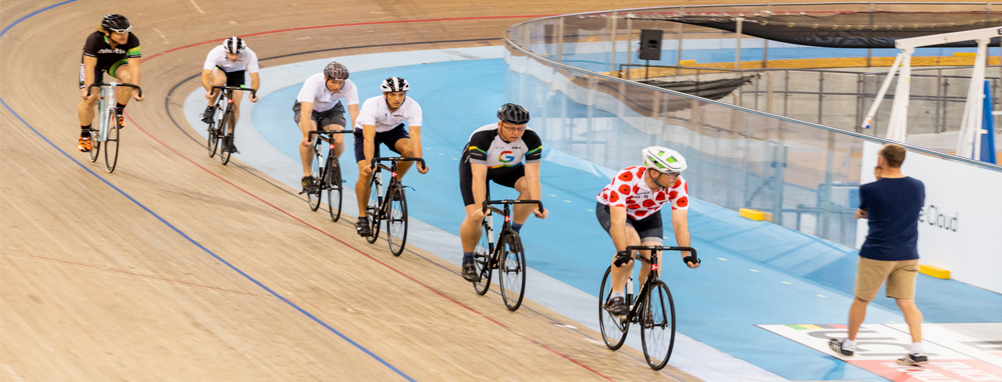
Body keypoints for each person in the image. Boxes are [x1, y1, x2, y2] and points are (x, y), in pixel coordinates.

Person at [828, 143, 927, 366]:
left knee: (861, 299)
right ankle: (917, 350)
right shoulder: (918, 186)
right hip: (908, 253)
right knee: (907, 302)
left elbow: (865, 211)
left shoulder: (870, 189)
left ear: (882, 161)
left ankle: (848, 345)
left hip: (878, 253)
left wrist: (865, 211)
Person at [598, 147, 699, 317]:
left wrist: (686, 254)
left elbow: (680, 223)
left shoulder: (678, 185)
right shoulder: (626, 179)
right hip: (615, 211)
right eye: (672, 173)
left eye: (678, 173)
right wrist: (623, 252)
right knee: (631, 246)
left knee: (654, 257)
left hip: (648, 214)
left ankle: (644, 301)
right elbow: (618, 222)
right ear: (653, 173)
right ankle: (615, 297)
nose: (677, 177)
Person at [458, 103, 549, 281]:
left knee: (529, 192)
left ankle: (513, 233)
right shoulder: (482, 137)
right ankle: (468, 259)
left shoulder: (531, 139)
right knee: (475, 216)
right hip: (477, 171)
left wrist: (537, 204)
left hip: (509, 170)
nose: (516, 133)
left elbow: (533, 176)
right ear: (500, 124)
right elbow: (478, 176)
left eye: (520, 129)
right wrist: (480, 207)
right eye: (511, 128)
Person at [352, 77, 427, 237]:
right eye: (393, 94)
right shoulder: (372, 105)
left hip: (392, 131)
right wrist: (371, 162)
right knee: (366, 173)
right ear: (385, 94)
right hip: (366, 132)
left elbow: (415, 137)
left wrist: (419, 161)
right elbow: (368, 137)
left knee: (410, 152)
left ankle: (396, 182)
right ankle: (362, 217)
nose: (397, 98)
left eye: (401, 94)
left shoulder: (413, 106)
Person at [77, 14, 144, 152]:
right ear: (107, 32)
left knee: (129, 80)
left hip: (116, 64)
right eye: (120, 33)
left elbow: (134, 67)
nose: (124, 35)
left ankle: (118, 112)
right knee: (91, 98)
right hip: (94, 66)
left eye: (126, 31)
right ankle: (84, 136)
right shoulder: (94, 39)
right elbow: (89, 67)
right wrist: (87, 90)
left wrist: (135, 90)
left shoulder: (132, 40)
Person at [295, 61, 359, 193]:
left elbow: (354, 113)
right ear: (325, 78)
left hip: (331, 110)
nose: (337, 86)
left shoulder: (350, 86)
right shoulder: (313, 82)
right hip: (309, 109)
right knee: (310, 137)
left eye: (341, 83)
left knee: (339, 139)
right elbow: (306, 112)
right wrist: (307, 134)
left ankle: (332, 167)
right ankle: (307, 176)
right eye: (334, 82)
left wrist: (358, 134)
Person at [199, 36, 260, 153]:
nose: (234, 57)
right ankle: (210, 108)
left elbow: (255, 78)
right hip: (219, 69)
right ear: (225, 50)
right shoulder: (216, 52)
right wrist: (209, 91)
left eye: (237, 55)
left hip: (237, 73)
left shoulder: (250, 54)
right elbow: (205, 75)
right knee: (219, 81)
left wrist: (253, 92)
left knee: (235, 105)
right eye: (231, 54)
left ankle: (229, 137)